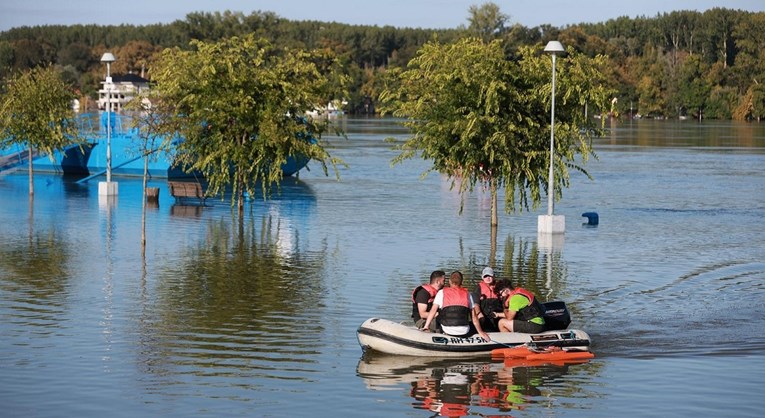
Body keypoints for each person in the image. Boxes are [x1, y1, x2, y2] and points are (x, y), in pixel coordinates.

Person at [422, 271, 490, 342]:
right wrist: (480, 332)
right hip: (464, 331)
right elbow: (474, 317)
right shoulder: (468, 294)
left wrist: (426, 327)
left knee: (439, 316)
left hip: (447, 330)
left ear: (450, 281)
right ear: (461, 282)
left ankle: (440, 334)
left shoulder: (441, 293)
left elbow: (433, 311)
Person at [473, 266, 505, 332]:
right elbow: (475, 304)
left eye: (490, 276)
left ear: (493, 276)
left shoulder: (499, 287)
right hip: (484, 314)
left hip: (496, 314)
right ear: (482, 277)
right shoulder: (478, 287)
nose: (488, 278)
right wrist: (479, 313)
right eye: (485, 276)